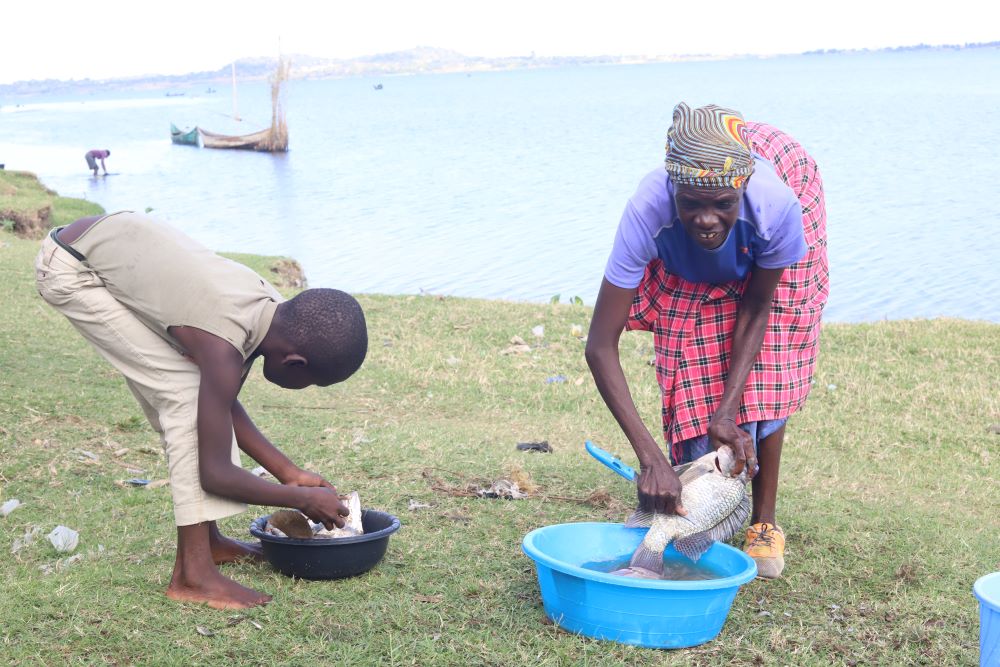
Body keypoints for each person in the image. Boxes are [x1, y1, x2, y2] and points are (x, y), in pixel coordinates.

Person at [34, 211, 369, 608]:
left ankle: (209, 544)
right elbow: (215, 474)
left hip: (106, 242)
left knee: (200, 396)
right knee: (184, 397)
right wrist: (299, 499)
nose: (307, 389)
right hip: (73, 268)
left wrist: (289, 472)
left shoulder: (271, 315)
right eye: (313, 383)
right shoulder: (223, 343)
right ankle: (192, 575)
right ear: (294, 363)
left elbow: (221, 402)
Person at [586, 102, 828, 579]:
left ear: (742, 188)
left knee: (768, 374)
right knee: (690, 349)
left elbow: (758, 308)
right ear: (672, 188)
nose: (706, 219)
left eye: (722, 203)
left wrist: (727, 412)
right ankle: (685, 502)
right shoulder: (647, 210)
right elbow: (599, 343)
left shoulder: (778, 205)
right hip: (683, 265)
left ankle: (763, 522)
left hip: (771, 245)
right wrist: (651, 458)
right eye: (691, 203)